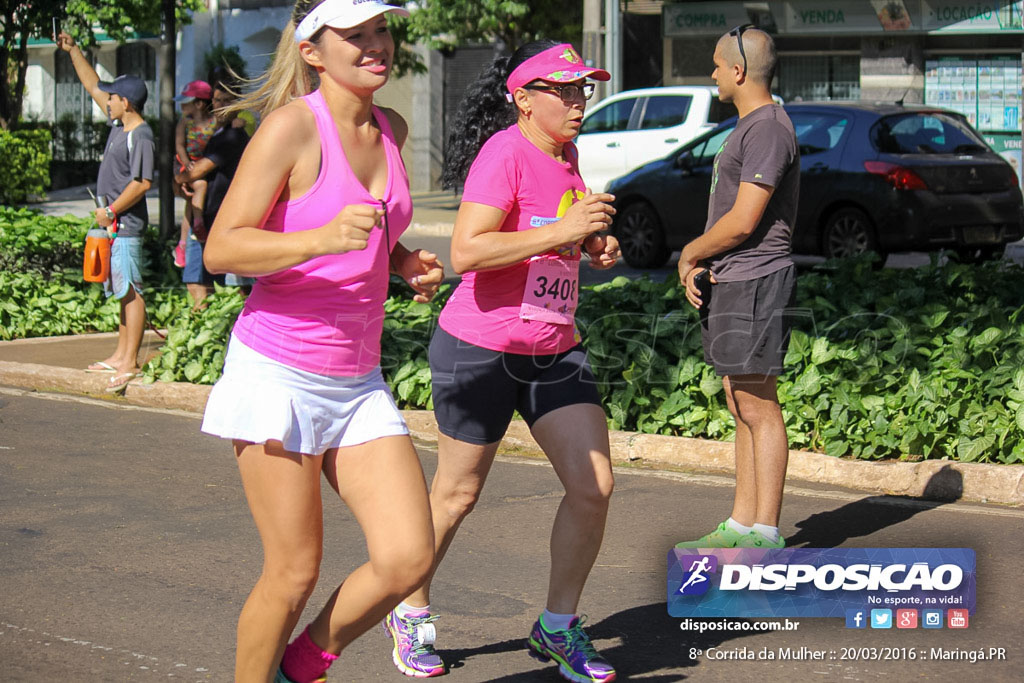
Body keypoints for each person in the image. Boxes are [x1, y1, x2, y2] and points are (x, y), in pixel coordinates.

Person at [198, 1, 445, 681]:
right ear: (312, 50)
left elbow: (369, 232)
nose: (375, 46)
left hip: (357, 378)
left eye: (381, 31)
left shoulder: (389, 127)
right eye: (355, 36)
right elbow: (222, 247)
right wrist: (320, 236)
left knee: (407, 556)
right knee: (293, 569)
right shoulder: (290, 130)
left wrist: (400, 262)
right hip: (278, 372)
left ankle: (301, 666)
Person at [383, 41, 621, 683]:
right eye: (564, 92)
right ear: (524, 99)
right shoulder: (504, 154)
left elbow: (549, 235)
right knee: (457, 494)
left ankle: (558, 626)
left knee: (593, 487)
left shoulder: (565, 154)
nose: (577, 104)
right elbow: (468, 250)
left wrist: (591, 243)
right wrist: (562, 234)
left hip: (554, 346)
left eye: (583, 91)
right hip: (481, 349)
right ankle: (408, 608)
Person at [675, 26, 800, 550]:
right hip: (734, 277)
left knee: (758, 403)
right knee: (738, 398)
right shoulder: (750, 125)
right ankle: (743, 522)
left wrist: (690, 252)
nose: (713, 74)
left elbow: (745, 219)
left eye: (717, 66)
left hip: (756, 276)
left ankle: (765, 532)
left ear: (740, 71)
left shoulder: (767, 128)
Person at [57, 32, 155, 395]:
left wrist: (111, 210)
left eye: (112, 97)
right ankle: (119, 354)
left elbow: (143, 183)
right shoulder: (119, 125)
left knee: (131, 291)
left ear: (126, 102)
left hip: (124, 225)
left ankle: (129, 362)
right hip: (113, 225)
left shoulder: (140, 135)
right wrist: (73, 51)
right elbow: (91, 84)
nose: (106, 100)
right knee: (120, 291)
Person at [174, 82, 252, 308]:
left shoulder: (233, 136)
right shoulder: (215, 132)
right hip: (205, 217)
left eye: (227, 101)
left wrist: (181, 180)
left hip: (221, 219)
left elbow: (199, 170)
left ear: (238, 106)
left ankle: (218, 331)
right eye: (217, 101)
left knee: (226, 287)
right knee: (196, 282)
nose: (220, 106)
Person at [172, 80, 217, 268]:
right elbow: (179, 145)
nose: (182, 105)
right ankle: (198, 223)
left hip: (204, 165)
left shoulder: (214, 122)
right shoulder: (185, 122)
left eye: (186, 101)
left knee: (189, 205)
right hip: (188, 165)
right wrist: (187, 162)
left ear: (199, 104)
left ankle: (182, 245)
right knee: (200, 185)